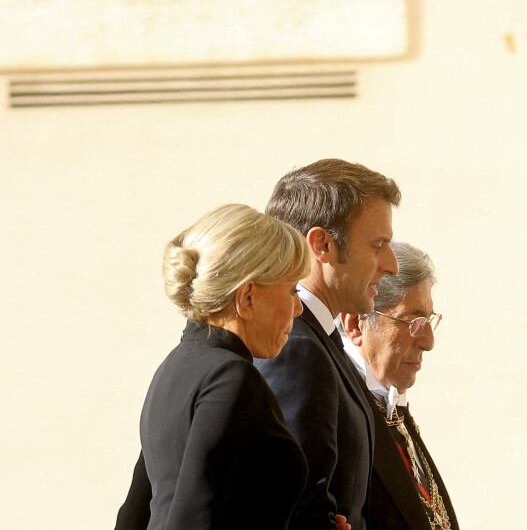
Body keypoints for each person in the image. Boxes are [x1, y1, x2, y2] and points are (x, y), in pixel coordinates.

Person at [117, 203, 313, 530]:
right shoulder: (231, 378)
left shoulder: (172, 368)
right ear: (247, 297)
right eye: (291, 289)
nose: (298, 308)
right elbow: (195, 519)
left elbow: (134, 516)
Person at [254, 158, 402, 530]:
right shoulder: (294, 347)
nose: (392, 264)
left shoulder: (318, 340)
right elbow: (297, 508)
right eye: (378, 244)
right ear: (322, 244)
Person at [338, 241, 459, 529]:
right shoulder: (336, 405)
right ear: (356, 325)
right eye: (413, 321)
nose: (428, 342)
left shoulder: (390, 403)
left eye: (429, 320)